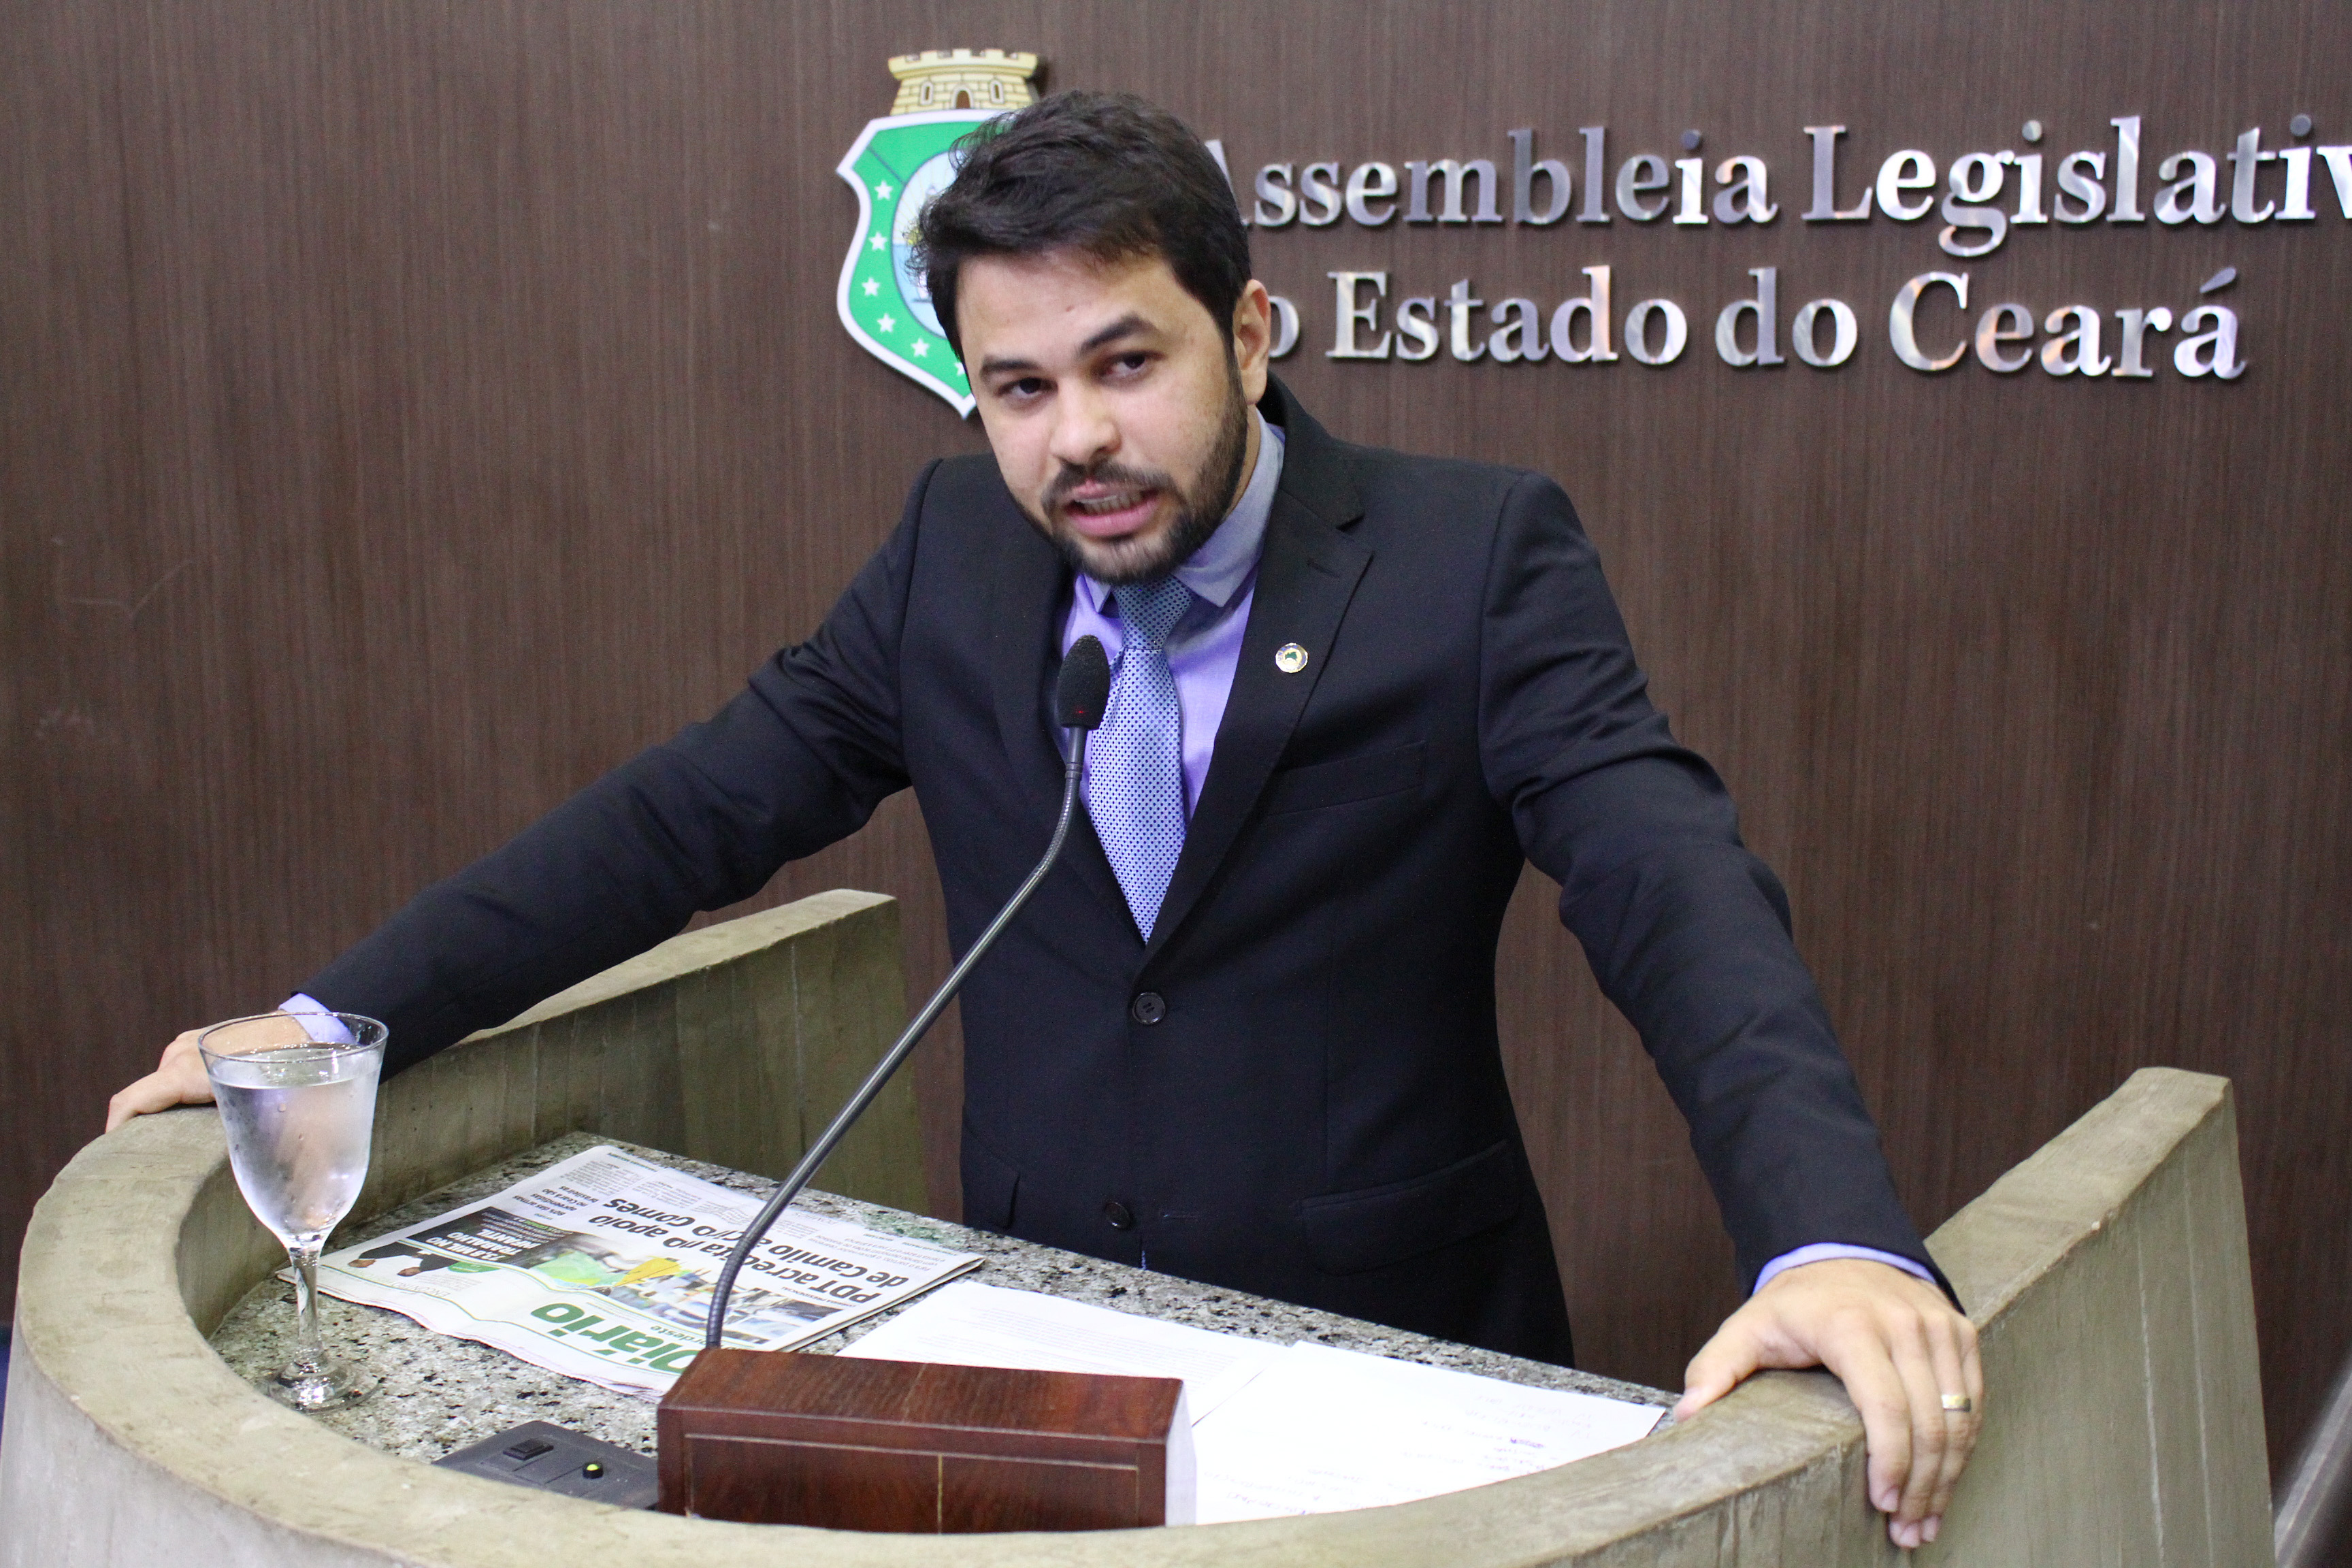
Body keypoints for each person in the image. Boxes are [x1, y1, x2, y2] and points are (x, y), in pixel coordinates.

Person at [108, 91, 1980, 1546]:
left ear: (1251, 331)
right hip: (1027, 1372)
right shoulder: (956, 555)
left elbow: (1668, 879)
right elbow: (689, 812)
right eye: (1018, 388)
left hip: (1387, 1375)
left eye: (1125, 364)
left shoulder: (1470, 557)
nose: (1074, 438)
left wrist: (1828, 1235)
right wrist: (337, 1021)